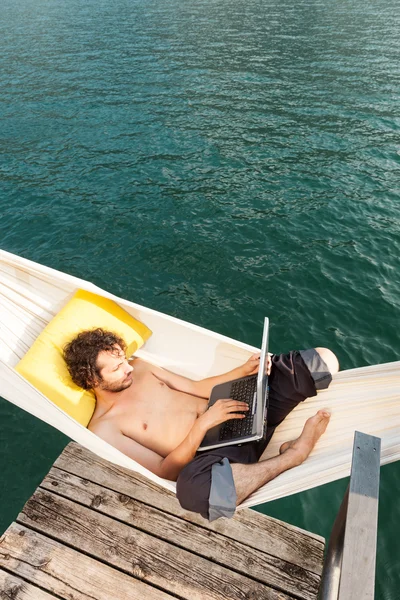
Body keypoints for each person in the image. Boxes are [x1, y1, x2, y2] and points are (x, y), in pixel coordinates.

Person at [63, 328, 339, 521]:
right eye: (116, 368)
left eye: (123, 359)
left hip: (241, 408)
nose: (128, 368)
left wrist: (244, 372)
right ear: (91, 381)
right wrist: (203, 424)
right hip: (218, 458)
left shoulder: (142, 368)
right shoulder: (104, 428)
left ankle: (253, 465)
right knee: (195, 493)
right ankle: (292, 456)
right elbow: (165, 471)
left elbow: (196, 388)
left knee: (322, 361)